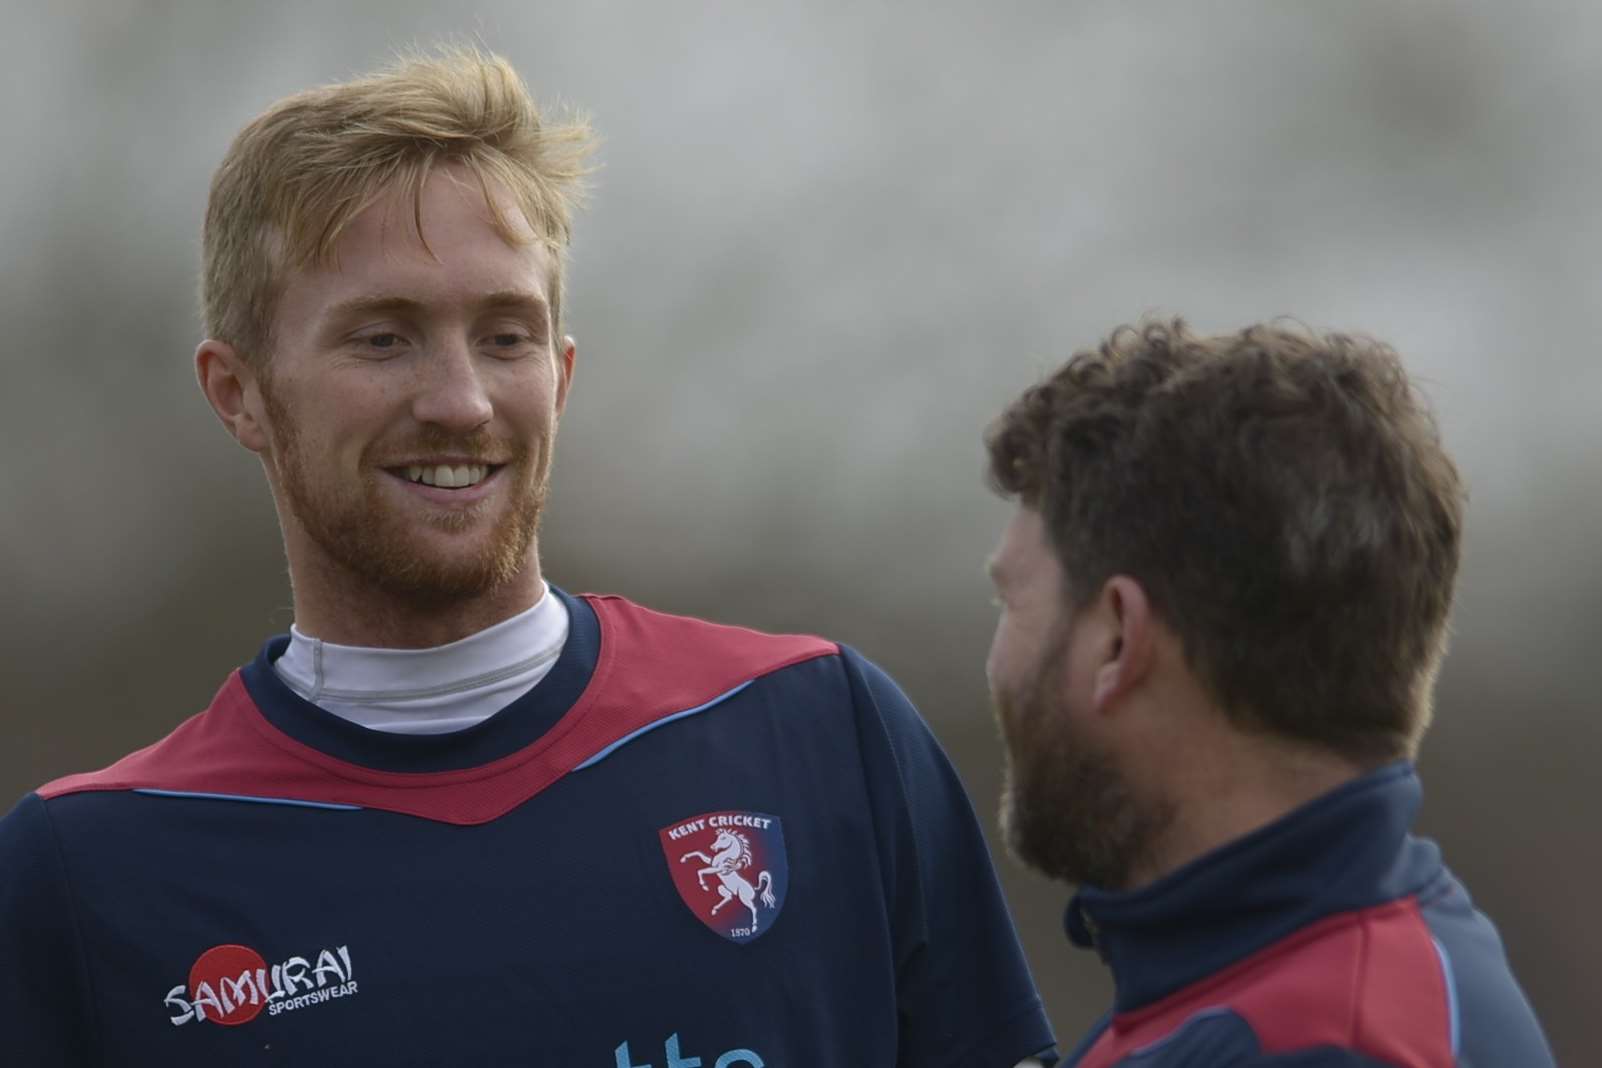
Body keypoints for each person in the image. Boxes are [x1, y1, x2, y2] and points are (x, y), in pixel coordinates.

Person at [0, 48, 1056, 1067]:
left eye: (505, 336)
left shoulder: (822, 730)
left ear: (560, 371)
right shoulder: (87, 875)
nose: (459, 401)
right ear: (238, 393)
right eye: (383, 338)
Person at [981, 319, 1555, 1067]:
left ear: (1118, 639)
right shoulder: (1258, 988)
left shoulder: (1323, 1045)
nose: (997, 661)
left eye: (1011, 603)